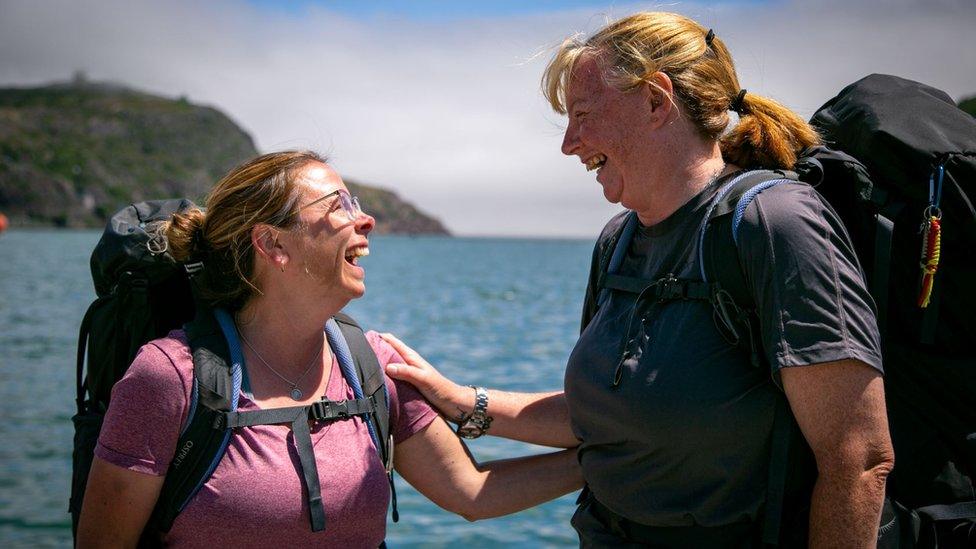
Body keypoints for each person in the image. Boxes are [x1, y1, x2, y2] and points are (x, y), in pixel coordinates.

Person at [381, 11, 894, 548]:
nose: (569, 144)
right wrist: (464, 401)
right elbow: (606, 417)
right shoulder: (617, 241)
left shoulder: (775, 225)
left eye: (583, 114)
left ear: (655, 100)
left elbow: (859, 460)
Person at [75, 150, 583, 547]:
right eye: (338, 206)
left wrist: (626, 458)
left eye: (357, 203)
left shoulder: (372, 364)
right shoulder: (170, 377)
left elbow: (472, 491)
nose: (365, 221)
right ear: (273, 245)